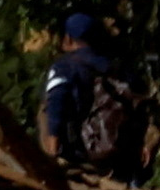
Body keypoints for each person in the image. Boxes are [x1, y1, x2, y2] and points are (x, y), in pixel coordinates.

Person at [38, 9, 143, 180]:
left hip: (78, 152)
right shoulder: (116, 67)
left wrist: (53, 141)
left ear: (68, 38)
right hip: (118, 152)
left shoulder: (64, 67)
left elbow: (57, 102)